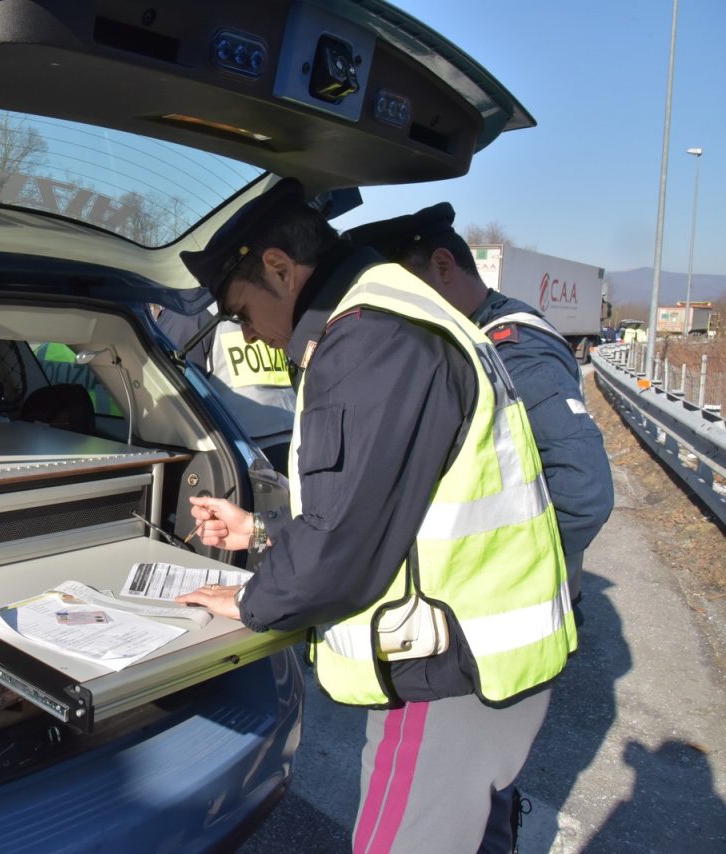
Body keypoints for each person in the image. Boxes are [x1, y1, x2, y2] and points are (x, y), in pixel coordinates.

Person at [173, 178, 576, 854]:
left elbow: (340, 551)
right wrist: (261, 532)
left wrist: (251, 598)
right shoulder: (396, 313)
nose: (250, 334)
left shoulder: (367, 340)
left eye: (242, 312)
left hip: (443, 672)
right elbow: (390, 507)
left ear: (279, 266)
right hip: (485, 660)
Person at [344, 203, 614, 852]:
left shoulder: (511, 352)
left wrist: (502, 579)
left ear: (443, 266)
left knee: (447, 806)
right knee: (477, 804)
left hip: (479, 640)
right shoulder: (465, 343)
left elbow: (581, 493)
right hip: (493, 644)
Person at [150, 299, 296, 472]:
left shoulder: (189, 314)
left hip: (240, 455)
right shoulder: (265, 307)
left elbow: (167, 399)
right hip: (294, 441)